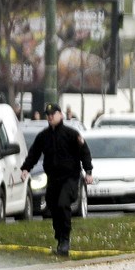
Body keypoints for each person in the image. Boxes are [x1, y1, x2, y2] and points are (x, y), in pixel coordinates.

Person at [20, 104, 92, 258]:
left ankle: (65, 239)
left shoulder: (71, 134)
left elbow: (84, 151)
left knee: (63, 204)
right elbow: (34, 153)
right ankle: (60, 239)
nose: (50, 117)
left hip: (70, 178)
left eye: (53, 114)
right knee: (52, 207)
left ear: (60, 115)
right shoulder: (43, 136)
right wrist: (26, 168)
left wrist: (88, 171)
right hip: (53, 178)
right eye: (48, 114)